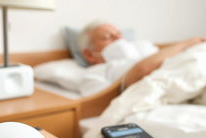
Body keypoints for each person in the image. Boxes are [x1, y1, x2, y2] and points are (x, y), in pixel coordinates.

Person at [78, 21, 206, 89]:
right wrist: (187, 43)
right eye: (109, 37)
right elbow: (142, 71)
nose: (119, 39)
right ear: (89, 54)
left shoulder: (145, 50)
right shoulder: (94, 74)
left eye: (119, 34)